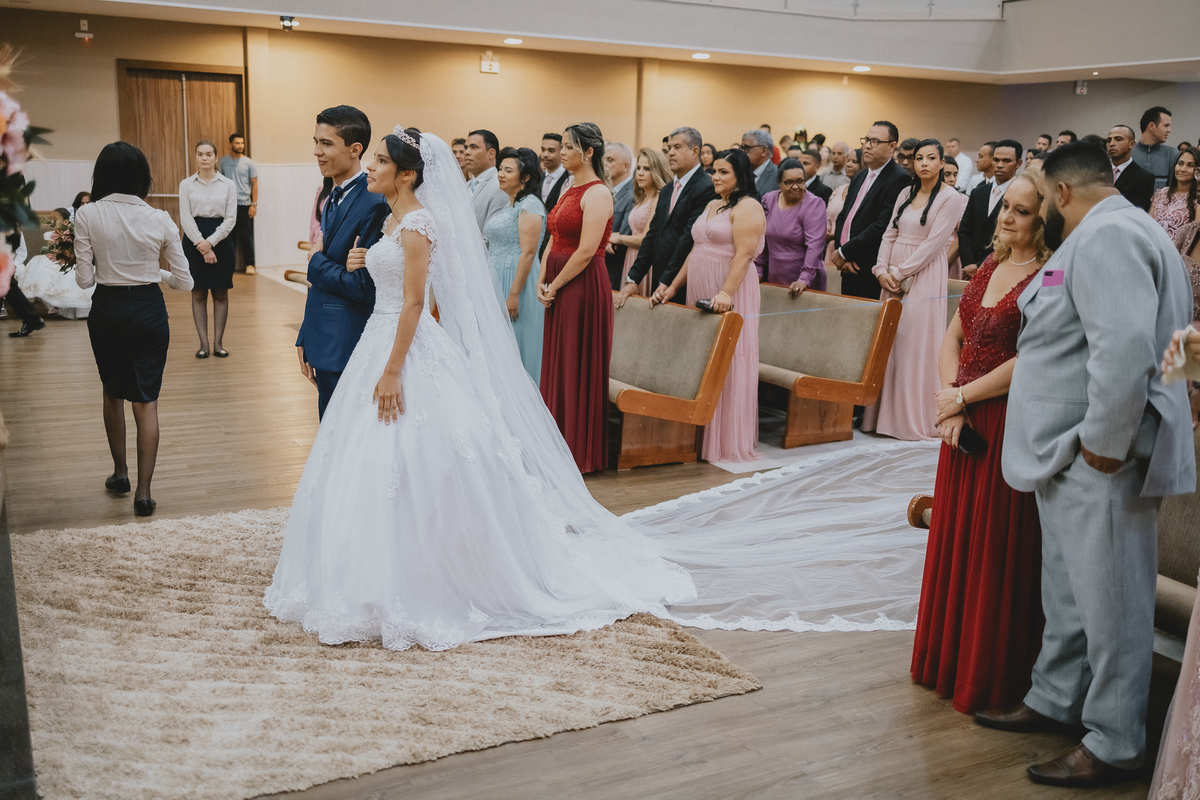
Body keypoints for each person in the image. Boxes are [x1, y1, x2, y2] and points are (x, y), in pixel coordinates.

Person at [264, 127, 695, 652]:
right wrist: (362, 262)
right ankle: (361, 568)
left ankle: (435, 570)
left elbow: (414, 303)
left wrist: (394, 371)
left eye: (380, 161)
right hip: (378, 338)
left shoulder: (418, 223)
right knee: (365, 456)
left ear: (407, 175)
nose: (371, 168)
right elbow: (392, 282)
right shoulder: (393, 219)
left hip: (402, 347)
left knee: (416, 450)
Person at [978, 143, 1196, 787]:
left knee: (1112, 604)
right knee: (1070, 590)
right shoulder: (1121, 231)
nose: (1041, 208)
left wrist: (1108, 439)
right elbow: (1172, 339)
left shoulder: (1108, 237)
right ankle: (1055, 696)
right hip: (1067, 448)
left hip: (1097, 452)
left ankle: (1114, 739)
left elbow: (1125, 346)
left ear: (1063, 193)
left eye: (1042, 197)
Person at [911, 172, 1051, 715]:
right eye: (1006, 207)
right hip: (962, 419)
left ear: (1045, 218)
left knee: (993, 544)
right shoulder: (992, 262)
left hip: (1006, 419)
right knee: (957, 536)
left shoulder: (1053, 272)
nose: (1007, 217)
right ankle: (947, 659)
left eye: (1022, 211)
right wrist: (951, 398)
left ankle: (987, 672)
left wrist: (962, 396)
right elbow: (954, 334)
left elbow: (1034, 355)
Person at [73, 141, 194, 517]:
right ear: (142, 177)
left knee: (113, 392)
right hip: (148, 311)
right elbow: (185, 282)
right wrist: (154, 274)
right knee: (146, 401)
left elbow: (83, 280)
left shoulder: (87, 214)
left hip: (107, 311)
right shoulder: (160, 218)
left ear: (102, 175)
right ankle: (144, 494)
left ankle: (120, 474)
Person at [653, 149, 765, 463]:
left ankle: (726, 439)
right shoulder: (713, 203)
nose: (715, 177)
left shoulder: (748, 206)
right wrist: (672, 285)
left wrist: (726, 293)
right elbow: (696, 249)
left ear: (740, 175)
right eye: (714, 171)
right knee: (702, 357)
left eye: (723, 172)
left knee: (729, 357)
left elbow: (744, 254)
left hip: (729, 287)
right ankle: (699, 432)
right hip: (700, 285)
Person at [863, 140, 961, 441]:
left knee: (913, 342)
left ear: (942, 163)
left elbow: (933, 244)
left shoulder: (951, 197)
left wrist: (899, 272)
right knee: (890, 341)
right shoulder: (905, 193)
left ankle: (910, 420)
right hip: (892, 274)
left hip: (924, 274)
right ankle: (881, 419)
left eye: (931, 158)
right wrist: (880, 269)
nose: (924, 163)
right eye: (919, 158)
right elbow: (889, 233)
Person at [297, 105, 390, 419]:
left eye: (326, 143)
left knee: (343, 432)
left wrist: (315, 261)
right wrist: (305, 334)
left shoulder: (374, 203)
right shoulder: (332, 196)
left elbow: (363, 287)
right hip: (322, 336)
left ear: (355, 149)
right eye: (316, 142)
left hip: (347, 342)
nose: (317, 151)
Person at [538, 123, 615, 474]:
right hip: (558, 279)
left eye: (569, 146)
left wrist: (555, 285)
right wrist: (541, 278)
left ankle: (578, 449)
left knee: (575, 361)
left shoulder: (597, 193)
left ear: (589, 152)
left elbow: (586, 251)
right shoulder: (568, 187)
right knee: (558, 360)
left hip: (582, 285)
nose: (563, 152)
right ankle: (555, 441)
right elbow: (553, 236)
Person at [615, 127, 718, 308]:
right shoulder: (667, 189)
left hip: (684, 279)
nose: (670, 153)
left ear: (695, 151)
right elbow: (652, 235)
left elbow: (688, 238)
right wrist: (633, 279)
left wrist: (667, 281)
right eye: (669, 148)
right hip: (660, 276)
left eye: (677, 147)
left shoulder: (706, 187)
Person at [484, 146, 546, 383]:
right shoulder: (509, 205)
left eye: (508, 171)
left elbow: (528, 252)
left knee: (517, 344)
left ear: (526, 177)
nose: (500, 174)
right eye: (500, 169)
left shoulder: (530, 205)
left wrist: (513, 295)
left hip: (518, 283)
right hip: (497, 278)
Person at [831, 121, 910, 300]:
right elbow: (844, 216)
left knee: (867, 315)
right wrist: (841, 252)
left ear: (892, 147)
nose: (867, 146)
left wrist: (845, 252)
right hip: (848, 263)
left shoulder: (899, 179)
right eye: (866, 140)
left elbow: (881, 225)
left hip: (869, 265)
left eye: (874, 141)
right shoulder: (860, 176)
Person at [179, 140, 237, 359]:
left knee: (221, 293)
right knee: (198, 292)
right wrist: (202, 245)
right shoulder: (186, 185)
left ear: (215, 157)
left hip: (221, 240)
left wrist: (210, 243)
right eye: (200, 154)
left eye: (209, 154)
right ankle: (203, 345)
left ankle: (218, 344)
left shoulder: (228, 185)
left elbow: (230, 219)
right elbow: (185, 218)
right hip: (194, 241)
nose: (204, 158)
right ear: (195, 157)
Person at [755, 158, 826, 292]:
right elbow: (761, 237)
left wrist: (804, 279)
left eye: (800, 181)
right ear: (779, 184)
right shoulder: (768, 199)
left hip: (804, 281)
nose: (795, 186)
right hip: (774, 276)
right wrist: (758, 269)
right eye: (789, 182)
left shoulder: (814, 204)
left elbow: (814, 246)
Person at [611, 147, 670, 296]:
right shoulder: (642, 197)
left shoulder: (658, 198)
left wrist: (618, 238)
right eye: (638, 168)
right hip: (631, 257)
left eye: (647, 169)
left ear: (657, 171)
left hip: (645, 260)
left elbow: (647, 239)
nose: (640, 173)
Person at [959, 139, 1022, 278]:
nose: (999, 165)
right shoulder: (978, 192)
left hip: (1001, 266)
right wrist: (969, 263)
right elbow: (964, 230)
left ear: (1018, 163)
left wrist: (980, 266)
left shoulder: (1021, 195)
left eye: (1006, 161)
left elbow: (1012, 239)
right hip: (970, 266)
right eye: (996, 160)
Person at [218, 133, 258, 275]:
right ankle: (228, 265)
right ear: (231, 144)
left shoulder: (249, 163)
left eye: (242, 143)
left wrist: (254, 204)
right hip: (228, 204)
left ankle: (250, 264)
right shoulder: (223, 162)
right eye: (237, 143)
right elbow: (219, 183)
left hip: (244, 204)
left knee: (245, 235)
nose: (240, 146)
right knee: (228, 236)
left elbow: (254, 184)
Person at [603, 142, 635, 288]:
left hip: (615, 267)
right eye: (604, 159)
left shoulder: (633, 194)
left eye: (610, 160)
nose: (605, 164)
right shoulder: (603, 189)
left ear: (626, 167)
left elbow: (621, 238)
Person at [464, 129, 507, 232]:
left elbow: (493, 234)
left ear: (491, 154)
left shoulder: (500, 186)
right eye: (466, 147)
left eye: (473, 147)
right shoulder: (465, 186)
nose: (466, 152)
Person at [1151, 148, 1198, 242]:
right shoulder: (1161, 193)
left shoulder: (1198, 198)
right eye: (1180, 163)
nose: (1183, 169)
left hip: (1182, 249)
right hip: (1155, 246)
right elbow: (1149, 224)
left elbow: (1197, 234)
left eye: (1190, 165)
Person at [1105, 124, 1155, 212]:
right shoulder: (1097, 172)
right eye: (1108, 140)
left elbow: (1137, 211)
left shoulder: (1144, 177)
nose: (1111, 144)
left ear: (1131, 144)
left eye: (1118, 139)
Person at [824, 148, 861, 263]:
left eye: (854, 162)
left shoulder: (865, 193)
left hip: (851, 248)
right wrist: (826, 231)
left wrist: (834, 235)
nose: (848, 165)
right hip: (831, 246)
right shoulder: (840, 190)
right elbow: (828, 214)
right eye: (848, 161)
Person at [1132, 106, 1179, 192]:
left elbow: (1174, 191)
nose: (1169, 130)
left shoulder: (1172, 154)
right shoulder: (1128, 154)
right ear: (1152, 126)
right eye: (1166, 126)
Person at [742, 129, 777, 198]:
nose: (742, 152)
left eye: (747, 148)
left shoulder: (778, 176)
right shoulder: (742, 173)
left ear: (764, 151)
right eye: (742, 148)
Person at [539, 133, 569, 210]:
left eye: (551, 151)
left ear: (561, 152)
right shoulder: (537, 179)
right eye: (543, 150)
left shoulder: (569, 180)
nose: (545, 154)